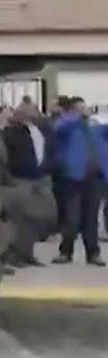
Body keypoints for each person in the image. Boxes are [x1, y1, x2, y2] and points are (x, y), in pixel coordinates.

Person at [0, 105, 57, 266]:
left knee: (37, 219)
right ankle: (15, 255)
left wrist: (49, 167)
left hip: (42, 179)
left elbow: (50, 149)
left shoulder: (42, 130)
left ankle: (27, 253)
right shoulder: (9, 133)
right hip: (19, 180)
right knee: (18, 219)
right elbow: (3, 157)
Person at [51, 97, 107, 266]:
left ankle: (93, 253)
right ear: (72, 110)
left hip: (94, 178)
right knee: (72, 218)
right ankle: (65, 251)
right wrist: (75, 118)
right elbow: (59, 128)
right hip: (73, 178)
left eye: (86, 108)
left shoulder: (95, 128)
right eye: (81, 108)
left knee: (91, 218)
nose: (86, 111)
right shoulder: (66, 126)